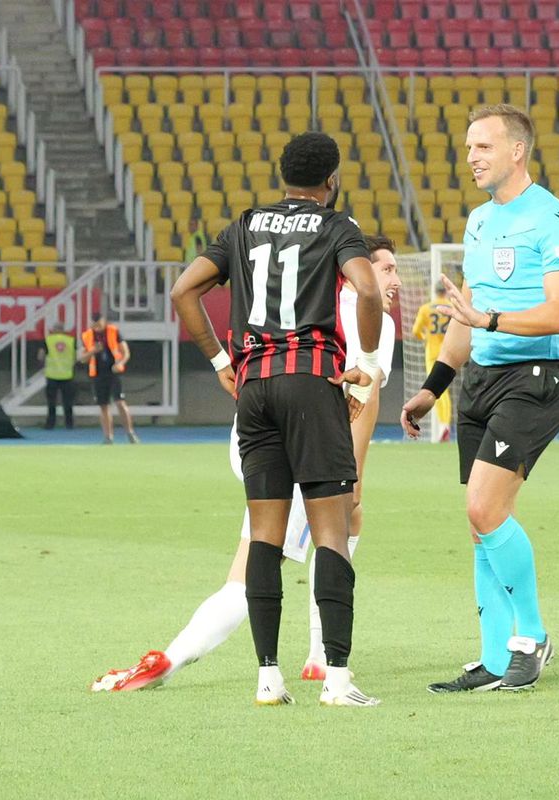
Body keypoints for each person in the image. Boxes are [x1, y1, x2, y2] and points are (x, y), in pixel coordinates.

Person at [91, 235, 401, 693]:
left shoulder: (303, 298)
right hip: (308, 449)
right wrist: (353, 475)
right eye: (387, 269)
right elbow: (365, 402)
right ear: (357, 269)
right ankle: (168, 662)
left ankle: (317, 657)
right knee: (261, 567)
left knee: (345, 525)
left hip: (257, 431)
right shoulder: (372, 322)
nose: (395, 279)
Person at [170, 131, 384, 708]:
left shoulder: (242, 226)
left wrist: (220, 360)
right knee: (333, 532)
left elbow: (184, 289)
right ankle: (337, 681)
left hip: (255, 389)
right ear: (332, 180)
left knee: (263, 537)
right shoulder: (337, 226)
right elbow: (367, 288)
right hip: (312, 383)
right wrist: (363, 362)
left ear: (282, 175)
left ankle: (268, 678)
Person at [401, 104, 559, 693]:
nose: (472, 157)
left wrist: (492, 318)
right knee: (480, 524)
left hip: (535, 377)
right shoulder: (478, 221)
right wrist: (433, 387)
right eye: (469, 147)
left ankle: (531, 638)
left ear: (517, 151)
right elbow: (465, 312)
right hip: (480, 377)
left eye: (483, 147)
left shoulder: (552, 218)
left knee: (485, 508)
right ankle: (494, 660)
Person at [79, 312, 138, 444]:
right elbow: (82, 358)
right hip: (98, 374)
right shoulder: (87, 336)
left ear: (104, 321)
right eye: (94, 324)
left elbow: (125, 352)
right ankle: (108, 437)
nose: (97, 327)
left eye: (99, 324)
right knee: (103, 406)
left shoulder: (113, 332)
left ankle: (130, 433)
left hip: (113, 372)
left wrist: (120, 363)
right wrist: (93, 351)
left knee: (120, 402)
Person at [411, 280, 453, 440]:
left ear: (435, 292)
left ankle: (443, 425)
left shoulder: (425, 309)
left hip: (433, 352)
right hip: (449, 351)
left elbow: (415, 331)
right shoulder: (453, 307)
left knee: (434, 390)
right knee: (445, 391)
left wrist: (426, 337)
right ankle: (445, 424)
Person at [38, 319, 76, 429]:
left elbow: (40, 355)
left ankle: (50, 424)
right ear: (63, 330)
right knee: (68, 402)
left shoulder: (48, 340)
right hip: (67, 375)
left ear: (54, 330)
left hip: (52, 375)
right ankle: (69, 424)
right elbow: (75, 357)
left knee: (51, 402)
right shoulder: (71, 340)